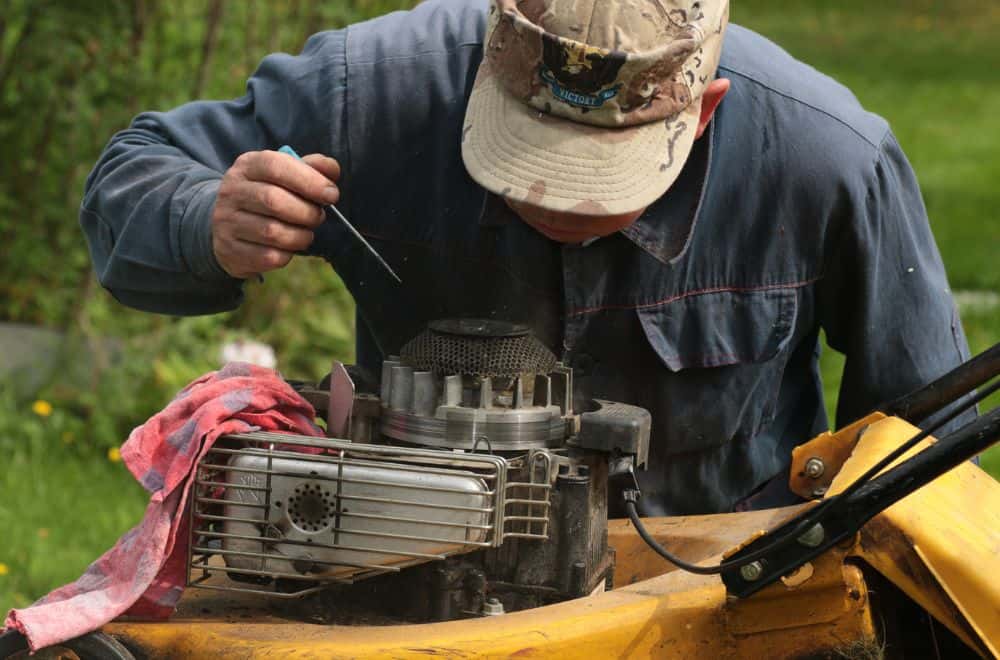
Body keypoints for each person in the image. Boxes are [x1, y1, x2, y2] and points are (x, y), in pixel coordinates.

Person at [80, 0, 972, 516]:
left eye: (598, 177)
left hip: (719, 600)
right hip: (420, 582)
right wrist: (208, 218)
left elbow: (930, 442)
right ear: (486, 72)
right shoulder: (376, 89)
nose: (555, 199)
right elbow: (127, 179)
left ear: (701, 113)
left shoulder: (828, 160)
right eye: (529, 156)